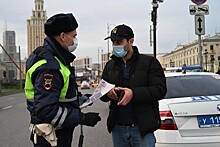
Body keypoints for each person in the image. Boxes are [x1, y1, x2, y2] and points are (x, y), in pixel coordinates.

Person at [24, 13, 101, 147]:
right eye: (74, 36)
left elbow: (61, 96)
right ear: (63, 36)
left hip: (57, 134)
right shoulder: (49, 67)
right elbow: (46, 110)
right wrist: (82, 118)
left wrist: (82, 100)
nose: (75, 40)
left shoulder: (57, 59)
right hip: (50, 138)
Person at [101, 24, 167, 147]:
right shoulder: (110, 65)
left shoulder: (149, 62)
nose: (115, 46)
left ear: (131, 41)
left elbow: (160, 90)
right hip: (118, 128)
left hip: (141, 129)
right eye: (113, 42)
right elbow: (101, 92)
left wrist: (133, 94)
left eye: (119, 42)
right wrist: (108, 93)